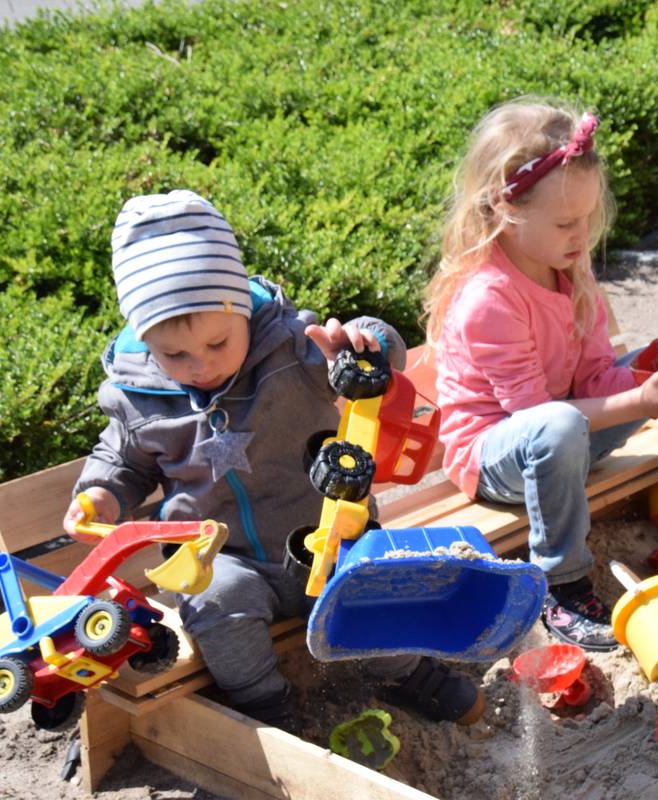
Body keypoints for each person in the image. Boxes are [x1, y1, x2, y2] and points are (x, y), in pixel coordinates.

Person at [63, 190, 483, 726]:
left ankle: (404, 673)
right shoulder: (137, 395)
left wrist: (365, 341)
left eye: (218, 343)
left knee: (367, 592)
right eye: (175, 355)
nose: (200, 366)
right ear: (144, 341)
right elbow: (121, 459)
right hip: (219, 557)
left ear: (241, 309)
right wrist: (99, 494)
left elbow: (375, 358)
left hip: (325, 531)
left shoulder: (289, 349)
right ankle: (267, 707)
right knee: (216, 605)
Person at [423, 99, 658, 652]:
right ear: (505, 211)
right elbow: (534, 419)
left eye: (587, 218)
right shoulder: (489, 299)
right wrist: (646, 403)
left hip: (567, 427)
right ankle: (561, 585)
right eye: (565, 223)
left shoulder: (565, 267)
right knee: (556, 426)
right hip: (496, 455)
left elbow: (597, 377)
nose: (582, 237)